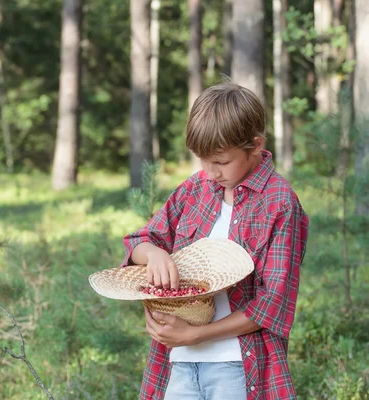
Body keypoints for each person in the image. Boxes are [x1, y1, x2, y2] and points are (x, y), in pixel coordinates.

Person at [121, 82, 309, 400]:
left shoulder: (280, 203)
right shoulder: (195, 189)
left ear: (255, 145)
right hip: (177, 364)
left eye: (221, 162)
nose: (211, 172)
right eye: (203, 160)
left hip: (235, 368)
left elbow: (272, 304)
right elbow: (139, 239)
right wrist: (153, 254)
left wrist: (196, 335)